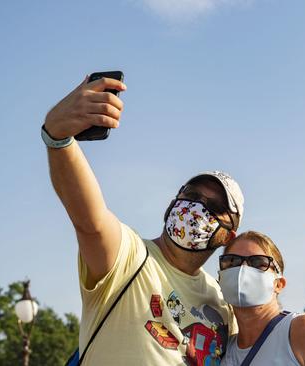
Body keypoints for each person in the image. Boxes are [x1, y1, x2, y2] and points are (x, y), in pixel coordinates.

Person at [42, 76, 244, 365]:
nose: (197, 207)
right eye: (191, 194)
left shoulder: (223, 303)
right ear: (175, 200)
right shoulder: (130, 256)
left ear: (229, 235)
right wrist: (58, 138)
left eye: (214, 207)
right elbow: (91, 220)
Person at [217, 231, 305, 366]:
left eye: (258, 263)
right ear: (220, 278)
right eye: (232, 261)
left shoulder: (302, 331)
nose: (243, 269)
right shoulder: (221, 351)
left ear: (279, 284)